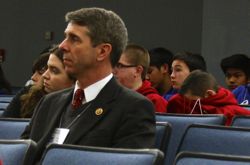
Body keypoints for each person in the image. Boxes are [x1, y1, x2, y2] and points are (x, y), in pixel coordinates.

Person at [21, 7, 156, 163]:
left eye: (74, 39)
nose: (63, 46)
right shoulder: (49, 102)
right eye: (65, 37)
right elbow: (22, 156)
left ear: (102, 52)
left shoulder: (133, 108)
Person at [3, 46, 75, 118]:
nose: (44, 75)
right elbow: (4, 123)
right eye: (47, 69)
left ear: (75, 79)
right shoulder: (28, 94)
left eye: (54, 71)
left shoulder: (80, 105)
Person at [167, 70, 250, 125]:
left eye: (193, 102)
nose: (190, 105)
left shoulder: (237, 114)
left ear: (209, 94)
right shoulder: (180, 102)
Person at [113, 44, 168, 113]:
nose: (113, 71)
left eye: (119, 65)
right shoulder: (111, 98)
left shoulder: (154, 101)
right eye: (113, 65)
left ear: (138, 71)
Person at [2, 52, 49, 118]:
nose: (33, 77)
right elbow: (4, 122)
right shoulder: (26, 93)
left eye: (40, 73)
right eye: (34, 72)